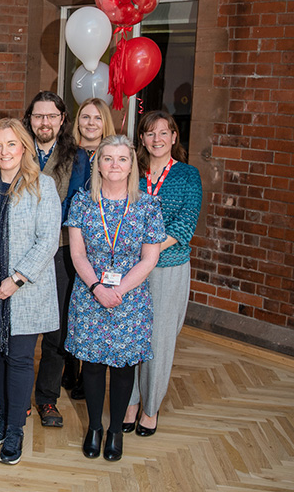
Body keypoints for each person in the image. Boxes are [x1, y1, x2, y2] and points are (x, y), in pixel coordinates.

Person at [0, 118, 60, 466]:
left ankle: (16, 428)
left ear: (23, 147)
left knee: (18, 357)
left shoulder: (42, 187)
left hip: (24, 291)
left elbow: (48, 240)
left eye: (11, 144)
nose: (4, 151)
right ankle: (4, 412)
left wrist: (16, 279)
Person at [65, 135, 165, 462]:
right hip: (90, 293)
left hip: (130, 299)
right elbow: (78, 254)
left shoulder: (148, 205)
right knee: (92, 366)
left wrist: (119, 290)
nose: (115, 165)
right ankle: (94, 427)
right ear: (99, 163)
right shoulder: (82, 202)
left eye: (122, 159)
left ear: (132, 165)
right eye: (108, 158)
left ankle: (115, 431)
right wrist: (97, 288)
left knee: (124, 368)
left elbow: (149, 259)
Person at [124, 111, 202, 436]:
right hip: (130, 267)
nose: (157, 139)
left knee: (158, 338)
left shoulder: (188, 176)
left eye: (163, 133)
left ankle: (150, 408)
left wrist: (150, 251)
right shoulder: (132, 174)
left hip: (168, 268)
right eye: (150, 134)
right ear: (141, 138)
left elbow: (185, 224)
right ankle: (129, 401)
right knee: (131, 334)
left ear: (173, 137)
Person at [23, 91, 89, 428]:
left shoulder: (76, 157)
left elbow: (75, 203)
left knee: (56, 329)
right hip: (19, 249)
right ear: (30, 119)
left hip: (62, 250)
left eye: (51, 116)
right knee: (20, 326)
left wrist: (44, 226)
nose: (44, 122)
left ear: (62, 119)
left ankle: (47, 398)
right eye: (38, 116)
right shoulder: (16, 148)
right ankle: (18, 399)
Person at [62, 97, 116, 398]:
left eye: (97, 118)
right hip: (72, 238)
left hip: (106, 243)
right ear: (77, 121)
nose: (91, 123)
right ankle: (69, 366)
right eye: (85, 117)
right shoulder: (69, 152)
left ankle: (88, 371)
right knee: (72, 303)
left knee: (96, 308)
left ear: (104, 121)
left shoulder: (115, 155)